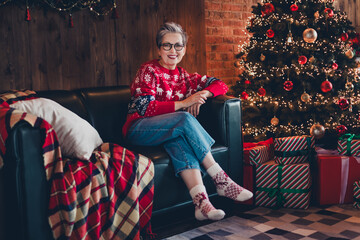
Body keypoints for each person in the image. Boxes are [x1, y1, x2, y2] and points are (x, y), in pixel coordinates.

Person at [122, 22, 253, 221]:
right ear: (159, 49)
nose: (173, 50)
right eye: (167, 45)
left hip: (166, 130)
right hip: (139, 128)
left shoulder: (184, 77)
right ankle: (220, 179)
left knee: (179, 139)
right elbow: (144, 107)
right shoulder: (148, 70)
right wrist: (184, 103)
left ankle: (201, 204)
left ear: (184, 49)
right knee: (184, 118)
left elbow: (221, 85)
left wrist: (203, 93)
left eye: (178, 45)